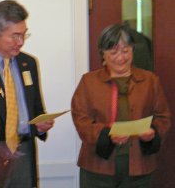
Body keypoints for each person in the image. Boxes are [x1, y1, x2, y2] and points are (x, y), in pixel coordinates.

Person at [71, 23, 171, 188]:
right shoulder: (88, 82)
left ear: (133, 50)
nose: (120, 57)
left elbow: (163, 116)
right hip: (97, 167)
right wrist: (106, 134)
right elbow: (81, 118)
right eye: (113, 51)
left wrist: (153, 132)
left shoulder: (150, 81)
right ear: (103, 53)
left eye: (125, 51)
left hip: (140, 166)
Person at [0, 0, 54, 188]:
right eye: (15, 36)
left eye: (24, 35)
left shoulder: (29, 63)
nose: (21, 42)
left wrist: (40, 125)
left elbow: (36, 109)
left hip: (23, 152)